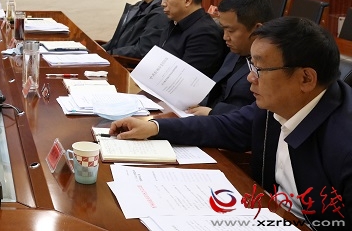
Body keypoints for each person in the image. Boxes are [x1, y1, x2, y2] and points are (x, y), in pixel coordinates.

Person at [111, 17, 351, 228]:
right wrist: (155, 127)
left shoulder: (344, 143)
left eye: (260, 69)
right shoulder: (279, 106)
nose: (250, 78)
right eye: (251, 65)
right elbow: (222, 126)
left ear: (306, 78)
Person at [187, 0, 275, 116]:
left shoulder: (272, 66)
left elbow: (260, 115)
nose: (225, 37)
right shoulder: (236, 50)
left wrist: (212, 112)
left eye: (231, 31)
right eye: (223, 29)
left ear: (257, 30)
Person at [158, 0, 226, 77]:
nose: (163, 3)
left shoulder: (204, 34)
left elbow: (184, 79)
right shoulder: (173, 23)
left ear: (187, 0)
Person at [103, 0, 169, 58]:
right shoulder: (139, 6)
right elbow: (119, 40)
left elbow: (142, 50)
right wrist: (99, 50)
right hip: (116, 56)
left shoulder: (160, 13)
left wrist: (109, 53)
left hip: (126, 62)